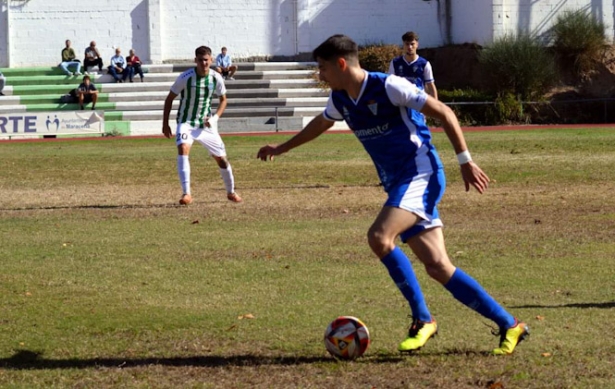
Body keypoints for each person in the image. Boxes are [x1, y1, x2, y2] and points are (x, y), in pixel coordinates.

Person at [257, 35, 529, 355]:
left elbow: (444, 112)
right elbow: (321, 123)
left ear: (341, 64)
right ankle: (510, 324)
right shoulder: (341, 98)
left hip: (421, 174)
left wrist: (465, 161)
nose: (320, 75)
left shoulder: (389, 86)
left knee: (379, 237)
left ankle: (422, 319)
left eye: (323, 68)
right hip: (399, 182)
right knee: (438, 266)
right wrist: (282, 147)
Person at [162, 45, 242, 205]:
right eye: (200, 60)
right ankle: (186, 194)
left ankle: (231, 192)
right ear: (195, 60)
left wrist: (215, 119)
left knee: (221, 159)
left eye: (206, 60)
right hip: (186, 122)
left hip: (206, 125)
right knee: (183, 149)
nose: (203, 63)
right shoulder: (185, 77)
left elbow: (223, 100)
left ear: (211, 60)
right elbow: (169, 98)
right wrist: (165, 124)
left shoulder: (216, 78)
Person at [389, 31, 438, 100]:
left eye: (412, 44)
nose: (410, 47)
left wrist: (435, 108)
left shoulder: (424, 64)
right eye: (407, 44)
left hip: (418, 101)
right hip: (401, 101)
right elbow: (390, 84)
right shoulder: (395, 63)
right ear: (403, 45)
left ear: (417, 45)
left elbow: (431, 86)